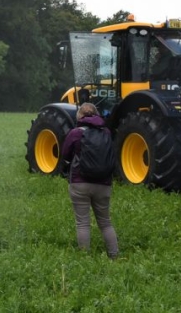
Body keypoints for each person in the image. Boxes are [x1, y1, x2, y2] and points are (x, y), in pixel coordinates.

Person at [59, 103, 120, 259]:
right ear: (96, 114)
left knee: (83, 223)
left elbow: (65, 154)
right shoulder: (106, 132)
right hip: (103, 184)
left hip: (80, 182)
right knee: (105, 222)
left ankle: (84, 258)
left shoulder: (75, 133)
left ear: (80, 115)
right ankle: (114, 255)